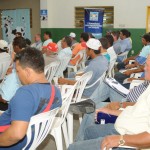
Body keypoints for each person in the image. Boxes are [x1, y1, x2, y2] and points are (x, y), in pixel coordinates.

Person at [68, 55, 150, 150]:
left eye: (147, 65)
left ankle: (78, 145)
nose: (144, 68)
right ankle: (80, 143)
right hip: (123, 125)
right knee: (88, 131)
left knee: (72, 148)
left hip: (127, 139)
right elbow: (138, 111)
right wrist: (111, 111)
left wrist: (120, 140)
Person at [0, 47, 62, 149]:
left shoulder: (25, 93)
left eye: (18, 71)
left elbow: (17, 134)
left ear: (28, 71)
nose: (17, 75)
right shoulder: (56, 91)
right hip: (31, 140)